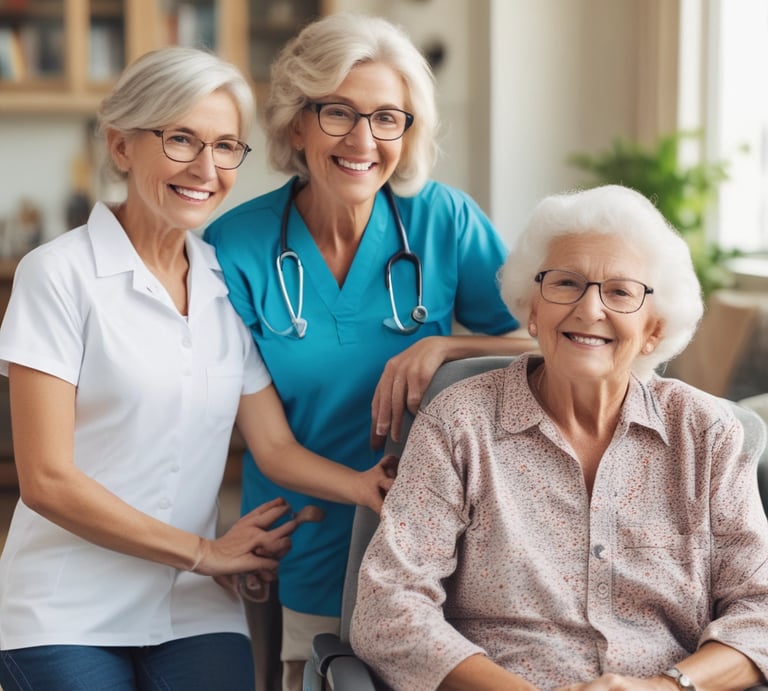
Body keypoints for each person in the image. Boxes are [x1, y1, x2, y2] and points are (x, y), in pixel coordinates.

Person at [0, 45, 394, 691]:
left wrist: (364, 486)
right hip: (65, 607)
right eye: (181, 139)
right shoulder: (59, 274)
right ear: (122, 146)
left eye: (226, 146)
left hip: (193, 606)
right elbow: (46, 479)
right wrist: (207, 551)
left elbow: (273, 444)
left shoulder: (221, 279)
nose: (206, 168)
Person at [203, 11, 533, 689]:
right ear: (297, 122)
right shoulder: (237, 246)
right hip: (308, 529)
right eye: (338, 113)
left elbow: (542, 339)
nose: (364, 140)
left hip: (446, 532)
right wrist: (360, 490)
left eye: (388, 117)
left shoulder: (442, 218)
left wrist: (445, 344)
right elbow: (266, 444)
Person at [350, 184, 768, 690]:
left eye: (619, 292)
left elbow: (760, 610)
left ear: (654, 330)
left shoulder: (707, 434)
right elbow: (387, 608)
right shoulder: (460, 422)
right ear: (531, 308)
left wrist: (665, 687)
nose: (589, 309)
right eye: (566, 283)